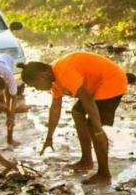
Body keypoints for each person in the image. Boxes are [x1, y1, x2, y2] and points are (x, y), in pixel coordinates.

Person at [18, 52, 128, 185]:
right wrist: (49, 137)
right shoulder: (54, 79)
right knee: (77, 112)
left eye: (36, 85)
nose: (38, 89)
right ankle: (86, 160)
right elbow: (55, 108)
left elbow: (87, 99)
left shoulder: (64, 73)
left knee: (92, 126)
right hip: (95, 86)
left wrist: (98, 130)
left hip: (112, 81)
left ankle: (104, 174)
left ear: (42, 76)